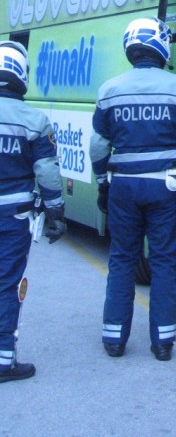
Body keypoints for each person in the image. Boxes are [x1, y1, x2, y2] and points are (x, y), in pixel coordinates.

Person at [90, 17, 176, 362]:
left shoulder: (110, 90)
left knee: (122, 259)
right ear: (162, 47)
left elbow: (98, 147)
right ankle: (163, 342)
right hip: (166, 187)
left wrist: (102, 184)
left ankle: (114, 339)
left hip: (123, 186)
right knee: (165, 260)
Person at [0, 41, 66, 383]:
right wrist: (56, 211)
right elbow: (46, 171)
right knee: (7, 283)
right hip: (14, 215)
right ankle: (3, 361)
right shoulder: (35, 120)